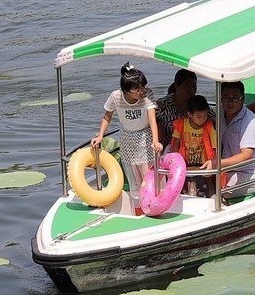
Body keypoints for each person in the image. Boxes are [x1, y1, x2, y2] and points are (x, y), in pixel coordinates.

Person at [90, 63, 161, 211]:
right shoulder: (116, 96)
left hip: (145, 136)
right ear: (126, 90)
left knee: (148, 174)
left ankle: (153, 205)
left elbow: (152, 119)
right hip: (127, 138)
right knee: (132, 175)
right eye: (137, 89)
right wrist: (100, 136)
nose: (142, 91)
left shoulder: (148, 94)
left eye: (143, 87)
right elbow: (107, 116)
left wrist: (155, 140)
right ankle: (139, 207)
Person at [201, 81, 255, 199]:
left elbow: (246, 155)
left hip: (252, 173)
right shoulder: (220, 114)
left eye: (235, 98)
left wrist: (217, 164)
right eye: (226, 98)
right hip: (230, 168)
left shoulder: (250, 121)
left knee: (215, 187)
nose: (230, 102)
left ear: (242, 99)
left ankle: (218, 205)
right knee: (203, 178)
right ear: (220, 98)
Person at [169, 95, 216, 197]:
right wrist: (175, 162)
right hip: (185, 165)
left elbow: (215, 146)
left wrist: (213, 162)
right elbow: (175, 143)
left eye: (205, 116)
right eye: (199, 116)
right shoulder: (181, 125)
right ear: (189, 114)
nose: (202, 119)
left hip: (202, 166)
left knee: (202, 193)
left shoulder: (209, 126)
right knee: (184, 193)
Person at [155, 69, 198, 149]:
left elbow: (214, 119)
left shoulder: (197, 104)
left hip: (193, 148)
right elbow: (151, 121)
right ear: (177, 86)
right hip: (168, 149)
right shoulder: (163, 105)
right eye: (187, 87)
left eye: (194, 86)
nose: (192, 90)